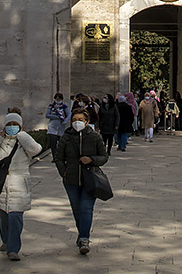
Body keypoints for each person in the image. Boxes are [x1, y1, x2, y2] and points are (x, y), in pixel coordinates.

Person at [0, 110, 39, 261]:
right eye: (9, 125)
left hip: (19, 184)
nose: (12, 127)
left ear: (21, 126)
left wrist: (22, 135)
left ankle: (13, 249)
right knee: (2, 217)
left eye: (15, 124)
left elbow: (36, 150)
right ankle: (6, 240)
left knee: (15, 217)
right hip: (0, 185)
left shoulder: (23, 142)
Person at [53, 109, 109, 255]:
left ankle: (84, 238)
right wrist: (63, 172)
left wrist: (91, 159)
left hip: (90, 179)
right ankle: (82, 234)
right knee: (77, 210)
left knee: (86, 208)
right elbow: (58, 157)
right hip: (71, 179)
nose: (77, 122)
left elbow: (104, 156)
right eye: (74, 119)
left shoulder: (95, 137)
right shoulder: (66, 137)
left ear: (87, 121)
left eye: (80, 119)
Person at [44, 93, 69, 157]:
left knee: (61, 143)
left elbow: (69, 115)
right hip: (53, 126)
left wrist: (65, 121)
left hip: (61, 126)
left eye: (59, 99)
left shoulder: (64, 106)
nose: (58, 100)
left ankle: (60, 156)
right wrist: (57, 116)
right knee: (53, 142)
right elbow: (47, 115)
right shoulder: (51, 106)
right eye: (56, 98)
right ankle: (54, 156)